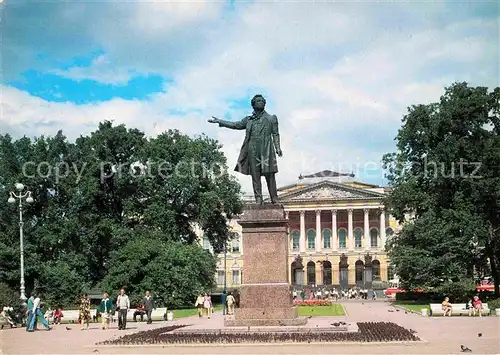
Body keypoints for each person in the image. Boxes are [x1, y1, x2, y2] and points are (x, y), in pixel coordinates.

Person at [208, 94, 283, 204]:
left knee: (270, 174)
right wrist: (220, 121)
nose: (261, 102)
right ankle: (258, 199)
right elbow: (235, 125)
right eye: (258, 101)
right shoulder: (249, 120)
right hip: (252, 149)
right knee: (255, 175)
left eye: (262, 101)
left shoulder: (271, 118)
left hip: (266, 148)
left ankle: (274, 198)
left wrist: (278, 147)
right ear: (253, 104)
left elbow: (275, 134)